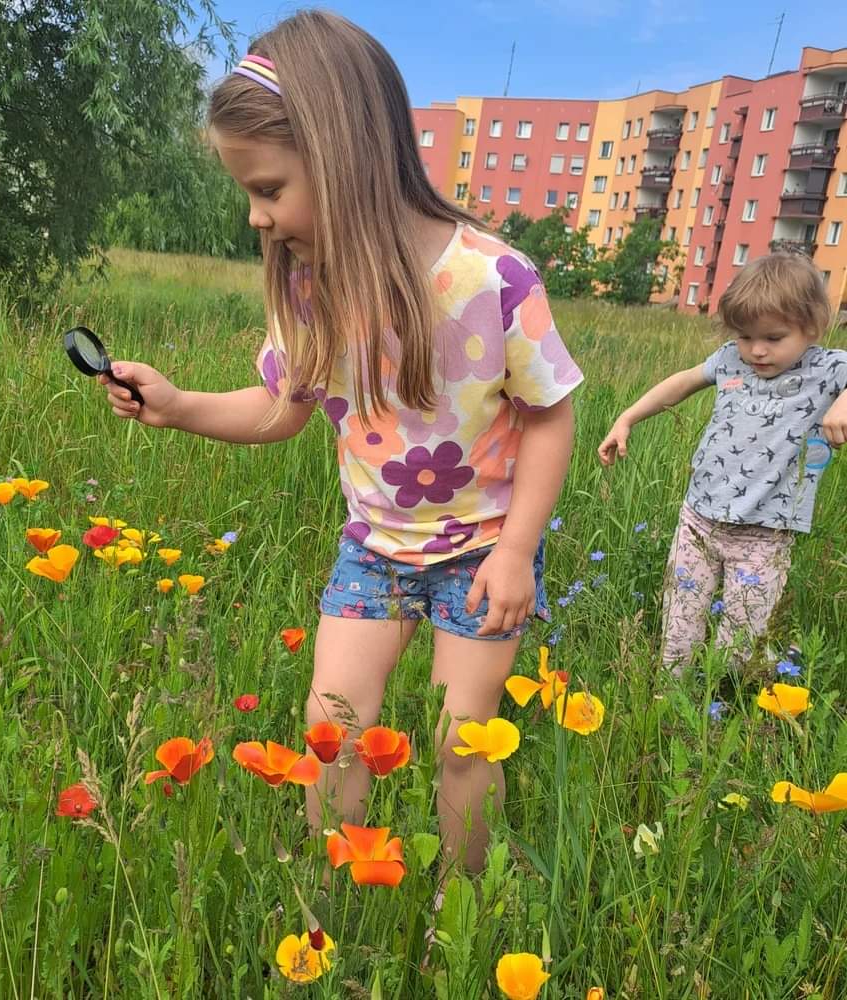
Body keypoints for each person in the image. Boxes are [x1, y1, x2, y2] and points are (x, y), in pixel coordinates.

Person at [100, 10, 581, 874]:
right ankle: (337, 898)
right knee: (332, 732)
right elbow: (281, 407)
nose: (256, 217)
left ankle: (457, 911)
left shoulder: (492, 278)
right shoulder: (313, 288)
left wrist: (517, 552)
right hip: (374, 549)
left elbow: (550, 414)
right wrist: (179, 404)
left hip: (481, 556)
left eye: (270, 188)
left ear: (344, 155)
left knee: (463, 743)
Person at [598, 253, 847, 669]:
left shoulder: (827, 368)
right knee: (677, 635)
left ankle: (771, 665)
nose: (756, 350)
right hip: (699, 519)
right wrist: (627, 418)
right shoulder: (731, 359)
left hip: (765, 534)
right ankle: (669, 707)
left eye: (773, 337)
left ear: (813, 326)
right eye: (745, 336)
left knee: (737, 652)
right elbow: (681, 383)